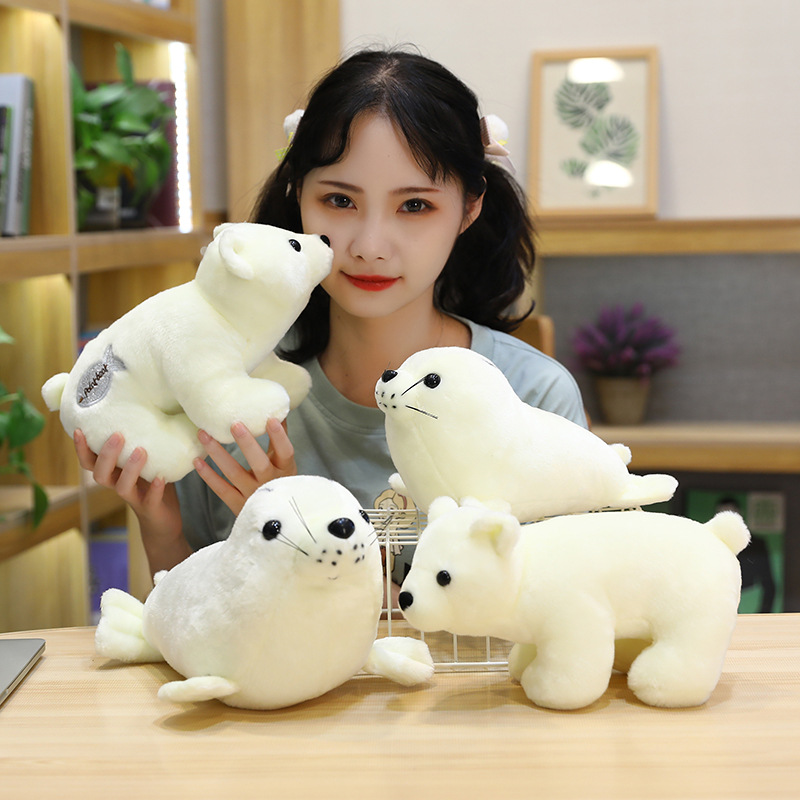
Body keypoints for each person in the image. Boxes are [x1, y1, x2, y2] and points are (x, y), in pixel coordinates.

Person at [75, 47, 586, 585]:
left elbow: (565, 611)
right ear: (298, 191)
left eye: (415, 205)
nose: (369, 246)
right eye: (341, 201)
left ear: (470, 208)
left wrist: (293, 527)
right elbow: (193, 620)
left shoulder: (536, 397)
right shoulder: (222, 387)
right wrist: (160, 527)